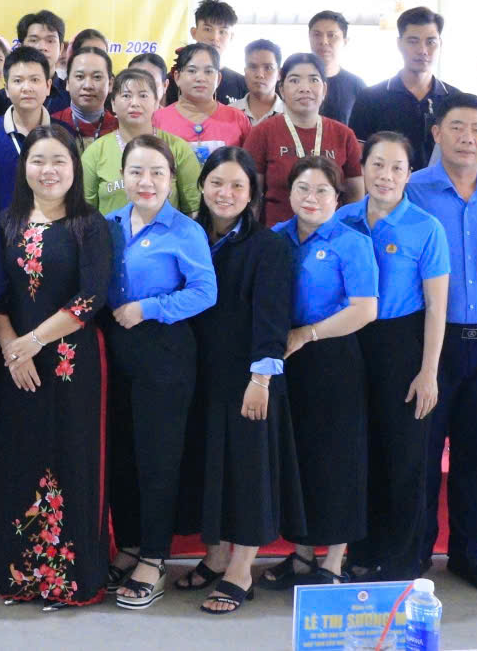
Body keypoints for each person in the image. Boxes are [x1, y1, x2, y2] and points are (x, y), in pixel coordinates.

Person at [0, 124, 112, 609]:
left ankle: (72, 580)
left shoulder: (89, 225)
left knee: (72, 461)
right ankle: (21, 576)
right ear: (24, 168)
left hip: (71, 365)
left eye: (59, 160)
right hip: (16, 365)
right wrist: (11, 349)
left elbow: (90, 298)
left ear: (75, 167)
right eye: (38, 160)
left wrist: (34, 341)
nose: (48, 170)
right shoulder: (5, 223)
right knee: (19, 459)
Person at [405, 93, 477, 592]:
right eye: (457, 127)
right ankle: (413, 553)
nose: (467, 138)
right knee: (422, 454)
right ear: (437, 133)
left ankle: (467, 554)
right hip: (432, 344)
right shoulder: (412, 190)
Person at [177, 146, 297, 616]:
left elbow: (273, 319)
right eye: (216, 183)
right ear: (201, 187)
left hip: (249, 377)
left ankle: (242, 569)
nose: (225, 193)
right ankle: (215, 556)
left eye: (237, 186)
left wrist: (261, 378)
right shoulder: (189, 236)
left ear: (252, 196)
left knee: (248, 471)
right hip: (199, 375)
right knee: (209, 468)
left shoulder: (268, 247)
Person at [102, 135, 217, 609]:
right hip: (115, 350)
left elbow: (205, 291)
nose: (145, 181)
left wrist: (149, 308)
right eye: (136, 172)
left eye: (156, 173)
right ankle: (129, 544)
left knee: (158, 456)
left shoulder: (185, 230)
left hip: (164, 350)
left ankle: (154, 557)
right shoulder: (109, 224)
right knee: (122, 454)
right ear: (122, 177)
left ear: (171, 179)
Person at [335, 133, 450, 582]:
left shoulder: (426, 227)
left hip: (403, 345)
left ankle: (402, 560)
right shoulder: (343, 218)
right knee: (356, 452)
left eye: (396, 168)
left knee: (404, 457)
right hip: (349, 341)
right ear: (363, 168)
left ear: (409, 174)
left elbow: (437, 306)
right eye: (377, 165)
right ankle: (359, 552)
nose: (385, 176)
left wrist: (429, 372)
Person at [264, 155, 378, 590]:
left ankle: (332, 562)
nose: (311, 198)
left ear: (338, 198)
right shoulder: (276, 237)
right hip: (287, 359)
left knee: (337, 460)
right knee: (299, 457)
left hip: (333, 357)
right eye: (303, 189)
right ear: (289, 193)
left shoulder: (352, 242)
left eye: (322, 191)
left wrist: (307, 334)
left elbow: (364, 310)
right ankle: (301, 556)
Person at [242, 54, 364, 226]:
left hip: (331, 236)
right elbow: (251, 196)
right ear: (282, 90)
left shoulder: (344, 135)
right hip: (277, 234)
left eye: (314, 80)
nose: (304, 88)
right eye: (294, 80)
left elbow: (355, 197)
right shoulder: (262, 133)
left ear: (324, 89)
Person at [81, 67, 201, 217]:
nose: (134, 103)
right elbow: (85, 212)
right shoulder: (95, 153)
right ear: (113, 104)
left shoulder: (178, 148)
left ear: (156, 103)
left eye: (143, 95)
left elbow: (193, 208)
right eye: (126, 95)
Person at [350, 6, 457, 171]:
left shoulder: (455, 101)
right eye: (413, 41)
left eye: (430, 42)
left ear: (440, 44)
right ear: (399, 44)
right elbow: (358, 160)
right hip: (386, 186)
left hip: (440, 187)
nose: (422, 50)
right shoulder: (370, 98)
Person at [0, 47, 56, 212]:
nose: (27, 88)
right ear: (7, 89)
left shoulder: (62, 133)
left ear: (48, 86)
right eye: (18, 81)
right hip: (1, 226)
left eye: (34, 80)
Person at [154, 43, 251, 165]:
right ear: (177, 77)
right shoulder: (157, 120)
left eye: (208, 71)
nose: (200, 78)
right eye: (192, 71)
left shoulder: (238, 119)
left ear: (218, 79)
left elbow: (249, 166)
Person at [0, 12, 71, 115]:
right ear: (21, 46)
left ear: (61, 48)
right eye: (34, 40)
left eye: (50, 41)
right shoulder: (2, 98)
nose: (42, 47)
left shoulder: (70, 95)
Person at [310, 11, 367, 125]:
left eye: (331, 35)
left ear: (345, 41)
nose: (323, 41)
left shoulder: (356, 85)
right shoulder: (292, 81)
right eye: (317, 35)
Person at [54, 47, 117, 144]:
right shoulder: (52, 125)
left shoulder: (120, 129)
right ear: (67, 83)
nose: (88, 86)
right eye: (80, 76)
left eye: (97, 77)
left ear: (110, 84)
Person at [191, 0, 247, 102]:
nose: (215, 37)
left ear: (231, 37)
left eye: (222, 32)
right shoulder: (175, 78)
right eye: (208, 29)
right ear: (194, 33)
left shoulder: (242, 84)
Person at [229, 40, 282, 128]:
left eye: (268, 67)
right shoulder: (228, 113)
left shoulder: (293, 116)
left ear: (279, 74)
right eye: (253, 67)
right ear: (245, 71)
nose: (259, 75)